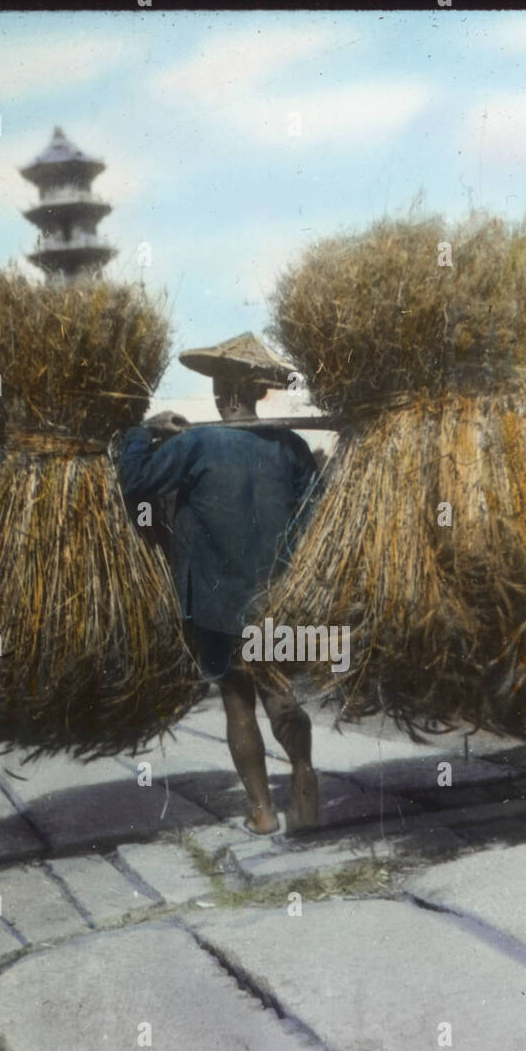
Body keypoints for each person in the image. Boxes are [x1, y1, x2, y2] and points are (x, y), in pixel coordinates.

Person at [113, 334, 320, 836]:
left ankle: (263, 812)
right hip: (277, 593)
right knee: (277, 687)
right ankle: (304, 775)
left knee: (236, 699)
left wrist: (146, 431)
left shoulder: (195, 444)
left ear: (225, 393)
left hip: (214, 597)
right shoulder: (290, 446)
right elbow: (313, 513)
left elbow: (133, 481)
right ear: (255, 394)